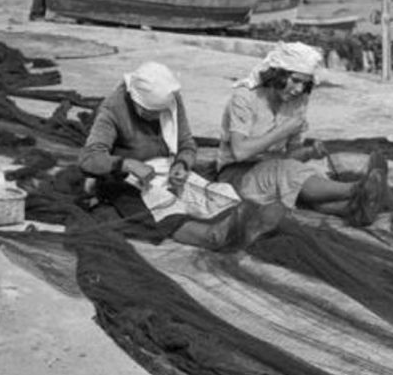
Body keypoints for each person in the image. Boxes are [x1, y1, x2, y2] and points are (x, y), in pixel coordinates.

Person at [79, 61, 285, 250]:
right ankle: (212, 236)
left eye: (161, 111)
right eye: (150, 111)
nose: (157, 116)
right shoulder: (113, 109)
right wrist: (128, 164)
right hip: (126, 180)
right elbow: (89, 159)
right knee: (162, 212)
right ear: (135, 100)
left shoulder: (171, 99)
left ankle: (248, 225)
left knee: (212, 193)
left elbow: (186, 143)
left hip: (165, 169)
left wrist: (182, 163)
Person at [216, 42, 386, 227]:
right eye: (295, 80)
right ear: (278, 74)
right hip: (237, 175)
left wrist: (309, 153)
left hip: (272, 170)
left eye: (304, 84)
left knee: (305, 176)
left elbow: (290, 156)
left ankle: (352, 209)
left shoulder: (298, 100)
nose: (298, 89)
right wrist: (282, 131)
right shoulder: (245, 97)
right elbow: (240, 151)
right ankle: (356, 190)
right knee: (288, 173)